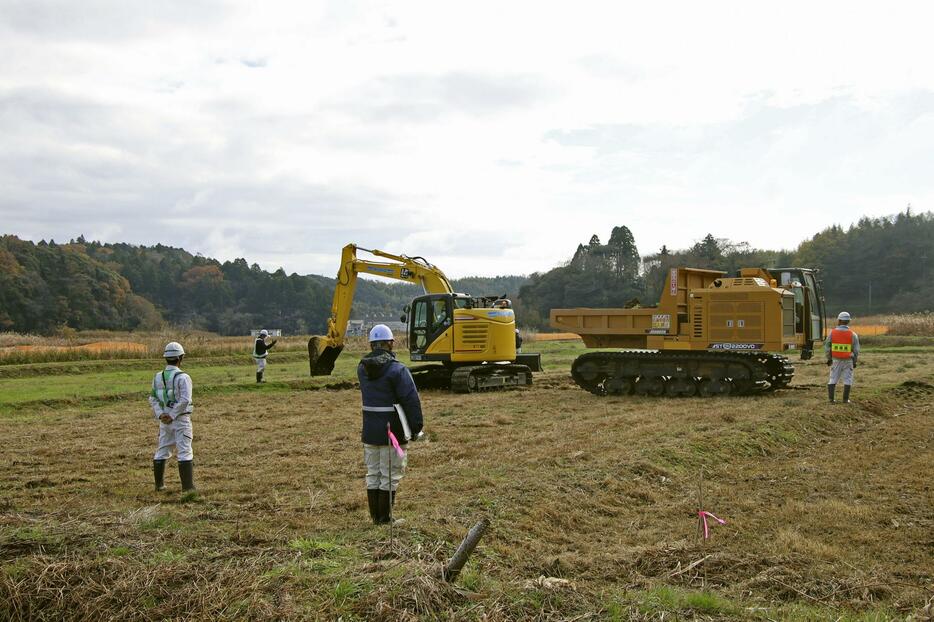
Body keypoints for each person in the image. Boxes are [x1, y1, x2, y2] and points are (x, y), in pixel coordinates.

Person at [358, 324, 423, 524]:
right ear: (390, 343)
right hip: (392, 432)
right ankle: (385, 519)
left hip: (369, 431)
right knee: (390, 474)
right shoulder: (398, 370)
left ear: (371, 345)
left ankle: (376, 517)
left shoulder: (362, 368)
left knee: (373, 473)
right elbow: (411, 401)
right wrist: (416, 428)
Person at [148, 341, 196, 492]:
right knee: (184, 451)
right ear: (181, 358)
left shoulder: (157, 377)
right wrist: (173, 415)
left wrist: (161, 414)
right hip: (181, 419)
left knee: (162, 450)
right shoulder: (183, 377)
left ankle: (159, 485)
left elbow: (153, 398)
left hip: (164, 421)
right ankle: (188, 488)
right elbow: (185, 400)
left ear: (166, 358)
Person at [825, 311, 860, 403]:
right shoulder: (853, 334)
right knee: (848, 379)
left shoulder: (832, 333)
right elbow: (856, 351)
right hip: (848, 360)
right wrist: (854, 361)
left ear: (839, 320)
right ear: (848, 321)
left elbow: (827, 347)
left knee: (833, 378)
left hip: (836, 360)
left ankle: (831, 399)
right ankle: (845, 399)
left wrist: (829, 358)